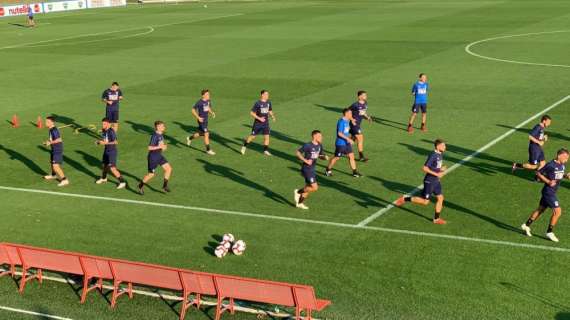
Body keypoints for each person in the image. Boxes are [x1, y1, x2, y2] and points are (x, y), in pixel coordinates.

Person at [521, 148, 570, 242]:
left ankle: (526, 225)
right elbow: (538, 173)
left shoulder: (562, 165)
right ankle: (549, 232)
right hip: (548, 192)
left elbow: (557, 175)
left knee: (540, 210)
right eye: (565, 157)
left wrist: (565, 176)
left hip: (552, 191)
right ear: (559, 155)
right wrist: (547, 181)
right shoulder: (550, 165)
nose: (566, 160)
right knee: (558, 211)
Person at [395, 139, 447, 224]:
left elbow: (434, 167)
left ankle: (436, 219)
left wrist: (440, 169)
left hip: (436, 181)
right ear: (438, 146)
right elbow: (424, 168)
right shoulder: (433, 155)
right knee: (425, 202)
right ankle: (404, 199)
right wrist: (437, 174)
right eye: (443, 145)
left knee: (440, 198)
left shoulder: (440, 154)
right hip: (429, 181)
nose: (445, 147)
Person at [294, 130, 329, 210]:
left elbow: (319, 155)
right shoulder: (308, 145)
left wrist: (324, 157)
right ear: (314, 136)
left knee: (308, 187)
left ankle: (299, 203)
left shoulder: (320, 145)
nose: (321, 137)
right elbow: (298, 153)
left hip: (312, 169)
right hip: (306, 169)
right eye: (320, 136)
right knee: (314, 187)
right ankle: (298, 192)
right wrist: (306, 161)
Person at [325, 108, 361, 177]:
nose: (351, 114)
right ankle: (328, 169)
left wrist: (352, 120)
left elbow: (347, 129)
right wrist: (349, 139)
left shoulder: (347, 120)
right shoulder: (341, 122)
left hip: (346, 143)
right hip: (340, 144)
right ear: (346, 114)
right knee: (336, 158)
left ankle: (354, 172)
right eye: (350, 113)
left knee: (351, 156)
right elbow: (339, 133)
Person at [138, 121, 172, 194]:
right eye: (162, 126)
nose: (164, 127)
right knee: (151, 174)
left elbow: (161, 146)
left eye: (164, 126)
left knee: (168, 169)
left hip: (159, 156)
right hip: (153, 157)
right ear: (158, 127)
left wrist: (164, 147)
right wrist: (160, 146)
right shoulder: (155, 136)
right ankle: (140, 185)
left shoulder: (161, 135)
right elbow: (149, 148)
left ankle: (165, 186)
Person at [241, 90, 276, 156]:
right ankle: (244, 146)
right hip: (258, 124)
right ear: (262, 95)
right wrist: (259, 118)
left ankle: (265, 150)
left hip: (266, 123)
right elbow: (251, 113)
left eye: (268, 94)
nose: (267, 96)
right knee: (252, 137)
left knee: (267, 137)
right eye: (266, 94)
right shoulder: (257, 103)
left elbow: (270, 110)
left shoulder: (269, 102)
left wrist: (272, 116)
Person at [95, 118, 127, 189]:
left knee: (112, 168)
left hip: (112, 152)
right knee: (104, 166)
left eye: (104, 124)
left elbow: (115, 142)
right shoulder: (104, 130)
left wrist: (105, 143)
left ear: (108, 124)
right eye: (102, 123)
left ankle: (122, 182)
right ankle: (104, 178)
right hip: (106, 150)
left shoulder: (111, 131)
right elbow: (105, 140)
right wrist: (99, 142)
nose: (102, 125)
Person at [187, 89, 216, 155]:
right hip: (201, 120)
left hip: (206, 121)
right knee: (206, 133)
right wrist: (198, 117)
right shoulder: (199, 102)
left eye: (209, 94)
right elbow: (193, 110)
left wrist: (212, 113)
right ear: (203, 95)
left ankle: (189, 138)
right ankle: (208, 150)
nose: (209, 95)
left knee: (200, 133)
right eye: (207, 94)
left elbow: (208, 108)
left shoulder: (208, 101)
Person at [43, 116, 69, 187]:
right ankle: (53, 175)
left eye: (47, 122)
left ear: (52, 122)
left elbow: (59, 139)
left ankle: (64, 180)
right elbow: (53, 139)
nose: (46, 123)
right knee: (52, 162)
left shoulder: (53, 130)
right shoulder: (51, 129)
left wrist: (50, 143)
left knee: (55, 166)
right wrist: (48, 142)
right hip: (54, 148)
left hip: (57, 149)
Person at [349, 90, 372, 162]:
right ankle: (361, 156)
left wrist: (367, 117)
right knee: (360, 138)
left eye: (366, 95)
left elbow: (363, 112)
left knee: (353, 139)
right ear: (359, 96)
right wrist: (352, 119)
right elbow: (347, 112)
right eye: (364, 95)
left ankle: (343, 148)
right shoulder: (355, 105)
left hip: (358, 124)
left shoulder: (365, 103)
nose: (366, 96)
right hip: (354, 125)